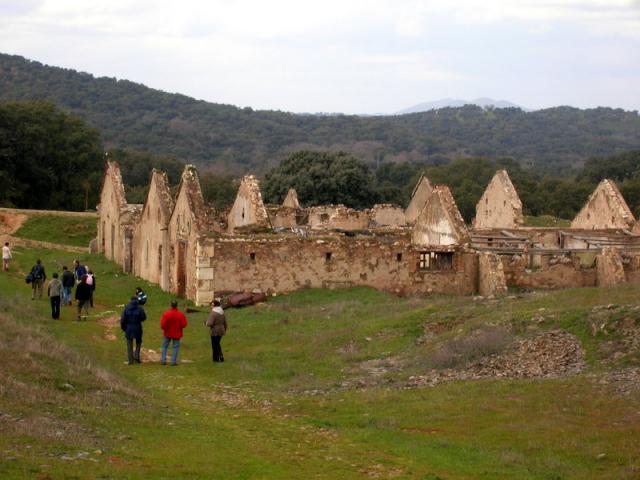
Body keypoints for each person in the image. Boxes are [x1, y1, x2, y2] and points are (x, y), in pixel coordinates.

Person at [159, 300, 188, 366]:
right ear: (176, 306)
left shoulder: (166, 314)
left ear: (171, 305)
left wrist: (164, 329)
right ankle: (173, 361)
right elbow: (184, 324)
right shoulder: (180, 314)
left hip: (167, 333)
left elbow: (163, 324)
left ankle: (163, 360)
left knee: (164, 346)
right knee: (175, 347)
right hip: (177, 333)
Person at [120, 296, 147, 365]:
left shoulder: (126, 308)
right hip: (137, 327)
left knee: (129, 343)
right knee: (138, 341)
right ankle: (137, 357)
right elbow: (144, 317)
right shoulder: (140, 308)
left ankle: (130, 360)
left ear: (130, 300)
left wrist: (124, 328)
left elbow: (123, 320)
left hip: (128, 327)